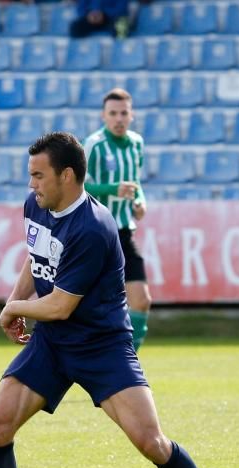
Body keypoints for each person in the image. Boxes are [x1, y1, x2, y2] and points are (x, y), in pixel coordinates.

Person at [0, 132, 239, 468]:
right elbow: (36, 257)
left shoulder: (94, 226)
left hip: (101, 345)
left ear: (67, 175)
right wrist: (18, 299)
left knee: (151, 442)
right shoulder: (36, 205)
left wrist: (12, 309)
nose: (31, 184)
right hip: (53, 344)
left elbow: (59, 306)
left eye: (38, 175)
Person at [83, 88, 150, 351]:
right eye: (113, 113)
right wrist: (112, 190)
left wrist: (139, 200)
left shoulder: (136, 143)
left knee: (141, 300)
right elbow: (77, 187)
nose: (119, 118)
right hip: (97, 233)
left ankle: (127, 364)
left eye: (124, 113)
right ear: (104, 116)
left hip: (124, 231)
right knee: (92, 307)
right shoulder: (94, 145)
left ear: (131, 115)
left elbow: (136, 182)